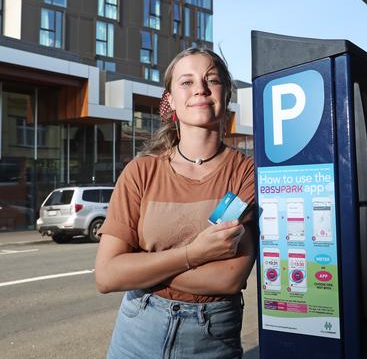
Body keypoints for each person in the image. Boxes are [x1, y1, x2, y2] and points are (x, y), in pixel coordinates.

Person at [95, 48, 256, 359]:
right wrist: (194, 253)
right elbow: (106, 276)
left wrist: (139, 265)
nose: (200, 89)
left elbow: (228, 277)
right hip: (137, 330)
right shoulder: (141, 172)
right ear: (170, 100)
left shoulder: (244, 173)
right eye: (187, 82)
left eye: (212, 79)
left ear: (226, 94)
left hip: (211, 336)